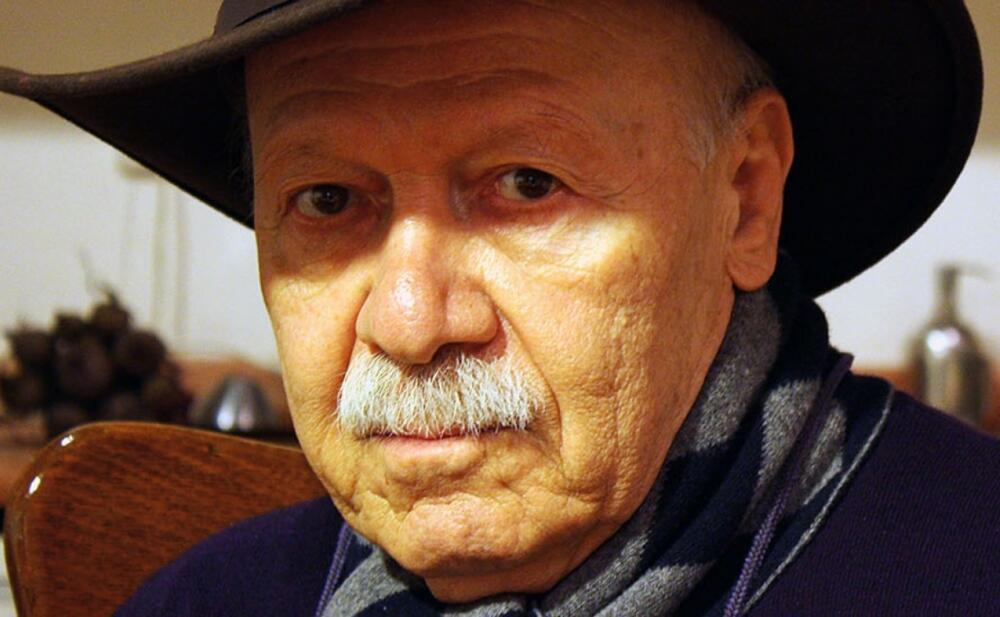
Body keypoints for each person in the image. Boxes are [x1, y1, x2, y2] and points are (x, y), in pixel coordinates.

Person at [2, 1, 997, 615]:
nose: (409, 322)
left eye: (525, 183)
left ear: (743, 196)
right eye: (327, 199)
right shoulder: (205, 602)